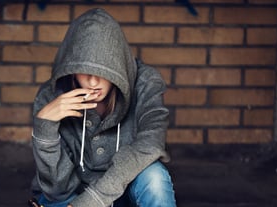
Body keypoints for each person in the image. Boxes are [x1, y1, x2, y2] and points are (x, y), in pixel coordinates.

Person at [30, 8, 176, 207]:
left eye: (103, 70)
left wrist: (92, 201)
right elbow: (58, 190)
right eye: (83, 70)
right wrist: (44, 128)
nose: (92, 81)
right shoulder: (51, 95)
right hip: (70, 198)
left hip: (121, 193)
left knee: (155, 177)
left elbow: (151, 144)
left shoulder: (146, 82)